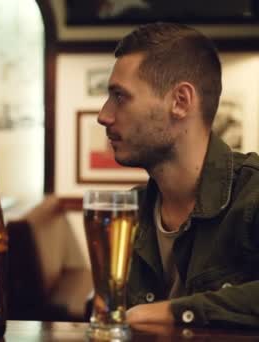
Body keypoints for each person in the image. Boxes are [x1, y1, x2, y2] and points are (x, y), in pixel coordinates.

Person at [98, 22, 259, 327]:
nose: (103, 115)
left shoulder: (253, 193)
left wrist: (175, 312)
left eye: (120, 97)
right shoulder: (130, 210)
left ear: (180, 102)